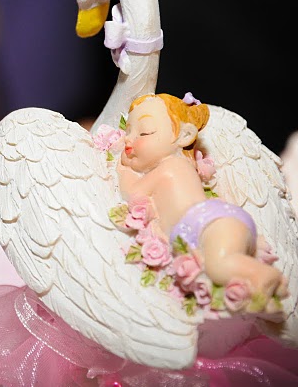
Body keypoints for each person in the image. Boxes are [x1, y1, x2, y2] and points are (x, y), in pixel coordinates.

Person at [117, 93, 288, 313]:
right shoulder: (179, 167)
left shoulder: (170, 167)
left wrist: (122, 170)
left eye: (144, 132)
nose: (128, 140)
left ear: (185, 136)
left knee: (219, 266)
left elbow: (133, 193)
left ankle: (268, 276)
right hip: (212, 226)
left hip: (211, 225)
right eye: (127, 132)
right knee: (223, 267)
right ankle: (266, 297)